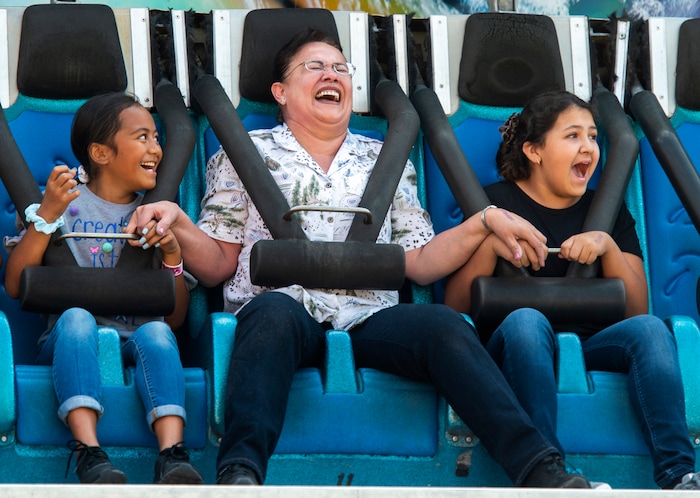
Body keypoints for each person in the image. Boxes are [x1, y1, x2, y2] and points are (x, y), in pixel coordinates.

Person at [126, 29, 592, 488]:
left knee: (445, 329)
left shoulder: (386, 158)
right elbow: (219, 264)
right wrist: (180, 223)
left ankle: (538, 467)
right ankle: (241, 473)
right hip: (281, 303)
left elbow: (420, 261)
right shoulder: (245, 153)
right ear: (280, 91)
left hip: (369, 313)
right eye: (315, 67)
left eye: (340, 68)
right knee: (269, 316)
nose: (332, 75)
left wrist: (486, 221)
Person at [444, 90, 700, 490]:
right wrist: (492, 246)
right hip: (512, 344)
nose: (588, 148)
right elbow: (454, 309)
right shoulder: (494, 206)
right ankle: (550, 471)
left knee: (652, 331)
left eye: (594, 137)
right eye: (573, 136)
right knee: (527, 322)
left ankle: (679, 473)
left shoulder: (607, 209)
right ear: (534, 151)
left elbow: (637, 309)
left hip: (590, 341)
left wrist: (608, 247)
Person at [4, 93, 203, 485]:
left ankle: (172, 454)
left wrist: (173, 254)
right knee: (77, 319)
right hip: (67, 341)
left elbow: (176, 317)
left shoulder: (156, 213)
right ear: (100, 152)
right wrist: (45, 216)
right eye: (142, 137)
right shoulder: (61, 203)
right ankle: (89, 451)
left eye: (157, 138)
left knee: (158, 332)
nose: (155, 149)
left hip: (137, 337)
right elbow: (14, 283)